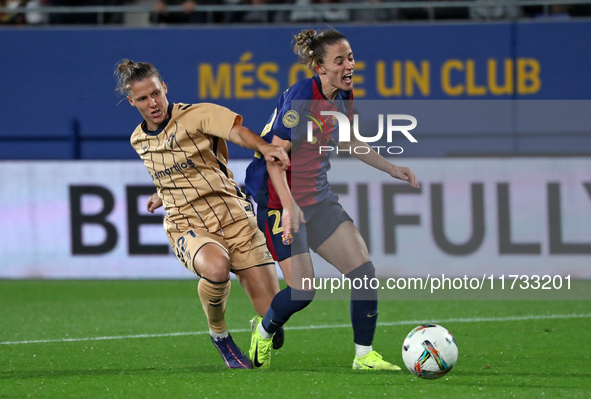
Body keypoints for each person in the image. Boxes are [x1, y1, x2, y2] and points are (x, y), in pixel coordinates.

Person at [245, 29, 420, 370]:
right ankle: (264, 332)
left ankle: (364, 356)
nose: (349, 65)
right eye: (339, 60)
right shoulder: (302, 98)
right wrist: (290, 206)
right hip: (280, 201)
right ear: (319, 67)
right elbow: (274, 158)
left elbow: (349, 140)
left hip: (318, 198)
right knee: (302, 291)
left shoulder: (343, 94)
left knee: (363, 272)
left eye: (350, 57)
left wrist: (390, 168)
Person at [115, 59, 290, 369]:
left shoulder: (197, 115)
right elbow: (169, 173)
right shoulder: (138, 140)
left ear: (164, 88)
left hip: (236, 218)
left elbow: (237, 133)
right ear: (131, 102)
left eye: (155, 93)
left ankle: (263, 324)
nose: (152, 103)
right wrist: (162, 194)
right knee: (217, 268)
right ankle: (219, 334)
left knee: (274, 320)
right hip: (188, 224)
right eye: (142, 98)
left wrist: (263, 148)